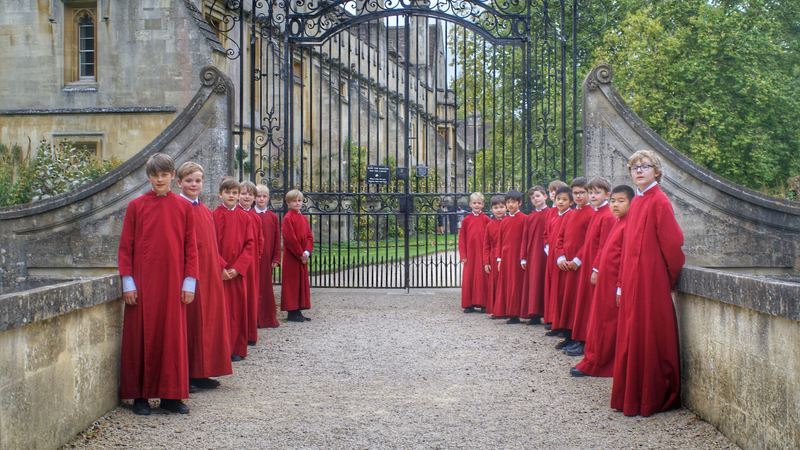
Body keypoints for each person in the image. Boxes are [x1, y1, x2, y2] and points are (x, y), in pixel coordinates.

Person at [118, 153, 198, 415]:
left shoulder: (185, 207)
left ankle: (171, 396)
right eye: (155, 175)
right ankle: (140, 397)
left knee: (172, 338)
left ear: (172, 176)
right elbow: (125, 247)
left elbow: (191, 248)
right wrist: (128, 282)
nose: (160, 179)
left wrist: (189, 283)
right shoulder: (135, 206)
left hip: (174, 284)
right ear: (149, 177)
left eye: (165, 175)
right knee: (140, 338)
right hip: (142, 285)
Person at [611, 150, 685, 417]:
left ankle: (652, 397)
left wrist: (668, 278)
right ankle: (631, 397)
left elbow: (673, 244)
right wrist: (621, 283)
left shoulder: (659, 201)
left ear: (656, 171)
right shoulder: (638, 201)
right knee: (633, 334)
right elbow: (628, 247)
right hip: (632, 281)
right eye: (634, 167)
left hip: (651, 280)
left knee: (650, 335)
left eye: (644, 166)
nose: (638, 171)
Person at [175, 161, 233, 392]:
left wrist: (219, 266)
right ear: (179, 183)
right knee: (189, 324)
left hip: (210, 275)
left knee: (207, 323)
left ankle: (202, 371)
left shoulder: (205, 210)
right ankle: (186, 374)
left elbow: (211, 246)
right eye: (189, 180)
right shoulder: (178, 207)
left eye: (197, 180)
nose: (193, 184)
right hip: (190, 275)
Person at [571, 184, 634, 378]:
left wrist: (602, 273)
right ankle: (594, 358)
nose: (615, 205)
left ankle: (600, 362)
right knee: (600, 320)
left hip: (611, 280)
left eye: (620, 201)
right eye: (613, 201)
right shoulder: (611, 218)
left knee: (605, 322)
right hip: (607, 278)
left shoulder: (610, 217)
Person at [564, 177, 616, 357]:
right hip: (587, 265)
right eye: (591, 192)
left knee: (590, 305)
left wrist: (596, 269)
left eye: (597, 193)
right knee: (585, 303)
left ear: (607, 195)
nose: (593, 196)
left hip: (594, 267)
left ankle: (587, 342)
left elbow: (604, 246)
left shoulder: (607, 216)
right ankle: (581, 340)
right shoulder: (596, 213)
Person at [213, 177, 255, 362]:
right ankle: (221, 349)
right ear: (220, 194)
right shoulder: (212, 215)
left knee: (237, 310)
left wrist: (237, 268)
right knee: (219, 311)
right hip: (219, 272)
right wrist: (221, 266)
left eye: (234, 193)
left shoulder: (245, 217)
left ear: (238, 196)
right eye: (227, 192)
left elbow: (250, 244)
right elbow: (209, 244)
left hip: (237, 273)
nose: (231, 196)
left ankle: (236, 348)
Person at [553, 177, 593, 350]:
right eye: (575, 193)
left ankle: (580, 338)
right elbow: (559, 238)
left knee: (579, 302)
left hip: (579, 265)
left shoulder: (592, 213)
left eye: (582, 193)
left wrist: (578, 259)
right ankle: (569, 335)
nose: (578, 196)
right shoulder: (570, 214)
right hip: (566, 264)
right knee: (567, 301)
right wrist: (560, 257)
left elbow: (590, 241)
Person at [494, 190, 528, 323]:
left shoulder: (525, 219)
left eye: (513, 202)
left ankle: (517, 313)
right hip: (506, 257)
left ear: (519, 203)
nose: (511, 205)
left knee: (517, 284)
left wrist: (523, 257)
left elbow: (526, 240)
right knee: (507, 284)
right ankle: (507, 311)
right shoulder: (504, 220)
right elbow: (500, 241)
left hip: (518, 257)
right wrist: (499, 258)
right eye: (508, 202)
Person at [543, 186, 572, 334]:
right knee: (552, 288)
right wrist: (547, 246)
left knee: (560, 290)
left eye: (564, 199)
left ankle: (561, 324)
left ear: (570, 202)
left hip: (562, 258)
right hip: (551, 257)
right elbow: (546, 233)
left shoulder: (570, 215)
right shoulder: (553, 214)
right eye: (558, 199)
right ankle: (553, 320)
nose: (560, 202)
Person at [282, 189, 314, 322]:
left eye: (299, 201)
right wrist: (299, 254)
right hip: (292, 257)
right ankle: (292, 311)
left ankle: (298, 310)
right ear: (288, 203)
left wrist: (306, 252)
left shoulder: (304, 218)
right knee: (292, 283)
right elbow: (290, 238)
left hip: (302, 257)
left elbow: (309, 237)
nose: (297, 203)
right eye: (294, 201)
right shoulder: (287, 218)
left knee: (300, 283)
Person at [238, 181, 264, 346]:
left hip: (252, 263)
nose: (247, 197)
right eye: (244, 193)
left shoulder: (255, 217)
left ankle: (249, 333)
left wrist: (257, 257)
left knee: (251, 297)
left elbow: (260, 240)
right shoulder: (236, 213)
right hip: (237, 262)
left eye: (250, 194)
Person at [519, 186, 549, 324]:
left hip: (547, 254)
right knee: (534, 283)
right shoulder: (529, 217)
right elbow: (524, 238)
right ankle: (534, 314)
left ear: (545, 196)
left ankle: (548, 315)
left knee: (546, 283)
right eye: (532, 197)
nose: (535, 199)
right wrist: (523, 257)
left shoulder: (551, 213)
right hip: (533, 255)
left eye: (538, 196)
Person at [459, 193, 491, 313]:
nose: (476, 205)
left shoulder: (487, 220)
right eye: (474, 203)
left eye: (479, 203)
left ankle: (484, 303)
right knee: (469, 277)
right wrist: (463, 255)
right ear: (470, 204)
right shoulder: (466, 221)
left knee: (483, 277)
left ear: (482, 205)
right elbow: (462, 239)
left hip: (482, 253)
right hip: (470, 254)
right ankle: (469, 304)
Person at [254, 184, 281, 328]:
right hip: (253, 257)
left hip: (267, 258)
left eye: (264, 196)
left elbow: (277, 238)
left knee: (266, 287)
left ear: (268, 198)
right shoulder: (250, 214)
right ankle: (254, 318)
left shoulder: (272, 217)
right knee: (254, 287)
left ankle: (266, 318)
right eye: (258, 196)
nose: (261, 199)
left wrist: (276, 258)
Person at [482, 195, 507, 316]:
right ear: (491, 209)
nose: (499, 210)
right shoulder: (490, 225)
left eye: (501, 207)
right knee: (495, 283)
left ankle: (507, 309)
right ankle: (496, 309)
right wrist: (486, 261)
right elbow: (486, 245)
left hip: (507, 255)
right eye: (496, 207)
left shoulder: (508, 221)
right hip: (493, 257)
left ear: (506, 208)